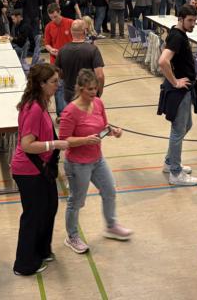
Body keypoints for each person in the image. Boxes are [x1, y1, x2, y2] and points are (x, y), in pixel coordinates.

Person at [59, 69, 131, 254]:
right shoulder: (70, 112)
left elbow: (103, 126)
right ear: (80, 89)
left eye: (95, 88)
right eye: (90, 89)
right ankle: (72, 236)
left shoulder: (98, 103)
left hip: (97, 160)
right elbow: (64, 140)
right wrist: (84, 140)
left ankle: (111, 226)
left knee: (109, 191)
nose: (94, 92)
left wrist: (113, 131)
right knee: (76, 202)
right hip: (77, 164)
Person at [11, 64, 70, 276]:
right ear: (41, 84)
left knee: (49, 207)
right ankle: (25, 264)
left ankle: (42, 250)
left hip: (41, 169)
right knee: (33, 216)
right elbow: (27, 145)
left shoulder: (42, 102)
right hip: (28, 171)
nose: (58, 85)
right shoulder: (34, 108)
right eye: (54, 81)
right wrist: (54, 144)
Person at [157, 4, 197, 186]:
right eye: (190, 20)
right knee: (178, 130)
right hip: (179, 91)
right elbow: (163, 61)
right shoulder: (177, 36)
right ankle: (175, 173)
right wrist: (175, 82)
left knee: (185, 126)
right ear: (181, 19)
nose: (193, 24)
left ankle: (170, 162)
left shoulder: (178, 34)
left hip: (184, 90)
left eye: (195, 20)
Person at [56, 20, 105, 105]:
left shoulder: (62, 50)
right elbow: (100, 75)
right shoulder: (93, 50)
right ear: (85, 31)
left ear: (71, 32)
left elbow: (57, 73)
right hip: (88, 95)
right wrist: (98, 93)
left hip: (69, 95)